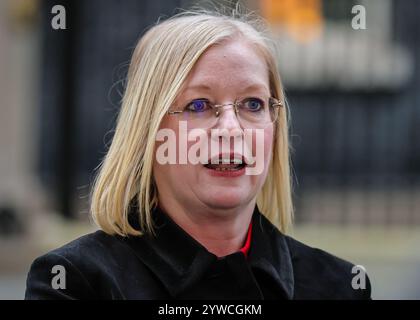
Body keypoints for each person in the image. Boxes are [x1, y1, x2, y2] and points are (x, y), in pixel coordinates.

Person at [25, 9, 371, 300]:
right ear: (148, 131)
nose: (231, 129)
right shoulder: (77, 283)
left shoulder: (339, 286)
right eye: (199, 105)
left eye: (252, 104)